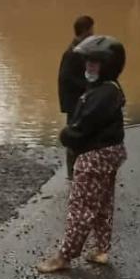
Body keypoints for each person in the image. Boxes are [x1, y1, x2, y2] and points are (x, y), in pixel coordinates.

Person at [38, 35, 126, 273]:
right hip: (109, 152)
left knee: (81, 207)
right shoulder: (107, 88)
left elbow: (80, 128)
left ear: (108, 65)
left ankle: (64, 256)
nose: (89, 66)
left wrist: (66, 135)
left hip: (94, 155)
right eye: (87, 61)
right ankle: (101, 249)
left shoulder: (102, 94)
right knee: (103, 204)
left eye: (95, 62)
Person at [58, 15, 94, 179]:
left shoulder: (79, 50)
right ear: (86, 31)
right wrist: (87, 87)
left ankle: (78, 171)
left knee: (81, 135)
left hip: (78, 101)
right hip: (74, 102)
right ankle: (72, 174)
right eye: (91, 29)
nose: (93, 33)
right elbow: (66, 78)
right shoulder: (72, 53)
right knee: (74, 136)